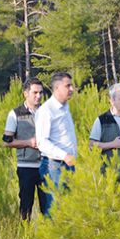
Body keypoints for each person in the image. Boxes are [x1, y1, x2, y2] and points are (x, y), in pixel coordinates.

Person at [3, 77, 47, 220]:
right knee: (26, 206)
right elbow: (7, 142)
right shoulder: (15, 114)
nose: (39, 96)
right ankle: (25, 237)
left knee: (48, 207)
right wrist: (28, 142)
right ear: (25, 94)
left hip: (46, 165)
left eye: (40, 93)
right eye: (35, 93)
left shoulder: (47, 113)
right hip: (26, 166)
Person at [35, 71, 77, 216]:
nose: (71, 89)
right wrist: (64, 155)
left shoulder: (66, 108)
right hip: (54, 166)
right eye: (68, 86)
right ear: (57, 88)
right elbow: (42, 142)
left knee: (69, 209)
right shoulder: (46, 110)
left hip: (69, 165)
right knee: (54, 210)